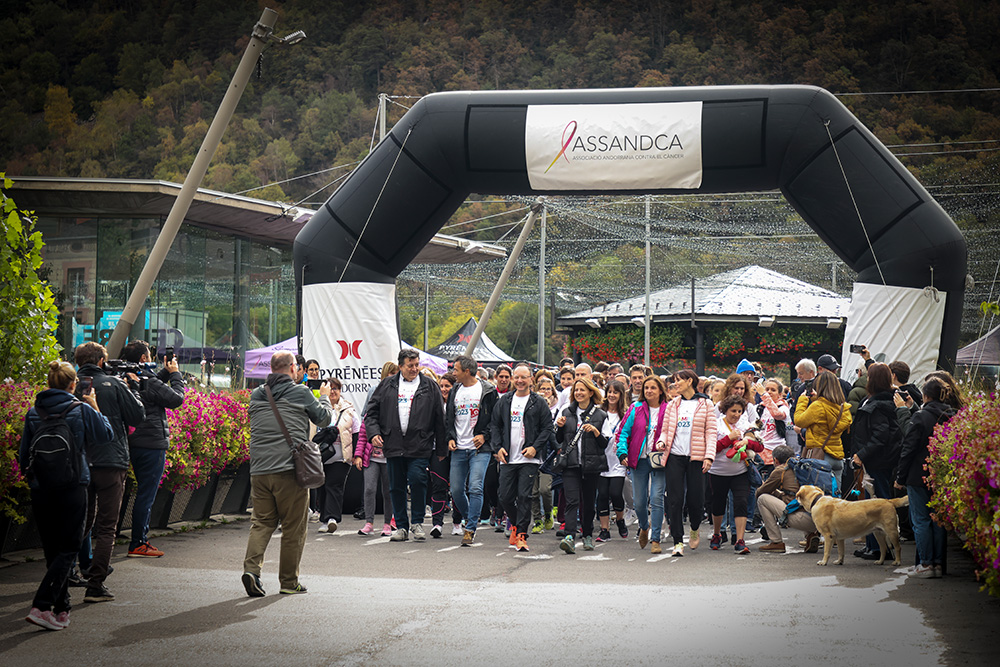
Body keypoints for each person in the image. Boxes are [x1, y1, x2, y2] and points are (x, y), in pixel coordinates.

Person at [20, 360, 113, 630]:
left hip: (41, 488)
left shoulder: (33, 412)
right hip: (73, 486)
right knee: (70, 547)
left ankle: (61, 610)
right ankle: (42, 606)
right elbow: (105, 435)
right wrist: (95, 405)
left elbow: (24, 454)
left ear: (50, 383)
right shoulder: (81, 408)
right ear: (74, 384)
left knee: (53, 550)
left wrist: (34, 477)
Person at [242, 351, 332, 597]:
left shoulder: (257, 393)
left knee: (261, 522)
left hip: (259, 469)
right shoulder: (301, 392)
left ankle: (252, 570)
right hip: (289, 469)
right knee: (293, 527)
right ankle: (289, 582)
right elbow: (324, 419)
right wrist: (324, 398)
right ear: (293, 368)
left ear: (271, 369)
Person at [74, 342, 145, 604]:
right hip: (110, 461)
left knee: (82, 521)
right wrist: (134, 388)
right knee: (106, 526)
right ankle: (95, 585)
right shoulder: (114, 385)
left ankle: (66, 572)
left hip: (79, 462)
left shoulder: (69, 384)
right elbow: (138, 416)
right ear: (102, 361)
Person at [365, 348, 447, 543]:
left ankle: (417, 522)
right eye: (410, 365)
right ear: (400, 366)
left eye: (417, 364)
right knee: (396, 486)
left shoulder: (429, 386)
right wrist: (374, 433)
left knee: (418, 480)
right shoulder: (387, 385)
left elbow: (439, 418)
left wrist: (441, 449)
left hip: (420, 444)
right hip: (393, 443)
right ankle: (401, 526)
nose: (414, 369)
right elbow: (372, 412)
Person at [120, 340, 184, 558]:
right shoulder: (148, 379)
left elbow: (151, 388)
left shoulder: (124, 378)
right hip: (152, 444)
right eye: (149, 355)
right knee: (146, 496)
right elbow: (176, 399)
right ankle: (138, 543)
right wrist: (175, 374)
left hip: (131, 443)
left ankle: (136, 540)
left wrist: (164, 373)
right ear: (143, 359)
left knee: (138, 494)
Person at [895, 377, 957, 578]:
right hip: (942, 476)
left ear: (925, 395)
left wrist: (900, 477)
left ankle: (925, 564)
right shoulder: (953, 415)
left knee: (920, 520)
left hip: (917, 475)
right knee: (938, 520)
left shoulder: (921, 417)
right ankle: (938, 564)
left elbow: (908, 449)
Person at [652, 369, 715, 557]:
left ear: (690, 381)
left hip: (696, 458)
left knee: (696, 500)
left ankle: (694, 528)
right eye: (673, 381)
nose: (675, 384)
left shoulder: (706, 404)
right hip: (675, 457)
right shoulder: (672, 405)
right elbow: (665, 430)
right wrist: (661, 442)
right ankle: (678, 541)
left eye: (678, 381)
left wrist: (709, 456)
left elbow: (711, 432)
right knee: (674, 500)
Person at [490, 364, 553, 552]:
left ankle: (522, 535)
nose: (519, 381)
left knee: (525, 496)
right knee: (505, 496)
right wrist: (498, 448)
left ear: (531, 379)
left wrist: (535, 447)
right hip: (509, 457)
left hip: (529, 459)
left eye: (523, 377)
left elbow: (547, 428)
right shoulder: (504, 401)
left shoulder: (538, 402)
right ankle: (517, 524)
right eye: (516, 377)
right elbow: (495, 426)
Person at [851, 362, 903, 560]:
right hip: (872, 460)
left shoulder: (880, 404)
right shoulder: (872, 400)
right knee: (870, 504)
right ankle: (873, 546)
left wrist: (861, 454)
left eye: (869, 375)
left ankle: (883, 549)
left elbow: (880, 437)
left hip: (878, 462)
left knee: (878, 506)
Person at [445, 355, 498, 546]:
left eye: (456, 370)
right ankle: (470, 517)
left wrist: (485, 435)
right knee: (456, 490)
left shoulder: (488, 390)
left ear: (467, 371)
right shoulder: (455, 390)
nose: (453, 373)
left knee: (475, 487)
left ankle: (470, 528)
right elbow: (449, 418)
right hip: (459, 447)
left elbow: (495, 419)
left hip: (479, 449)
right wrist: (450, 438)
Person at [555, 378, 608, 554]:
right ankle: (569, 536)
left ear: (591, 392)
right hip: (571, 464)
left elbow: (604, 443)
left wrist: (595, 431)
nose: (578, 393)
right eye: (576, 390)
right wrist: (560, 427)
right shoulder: (566, 412)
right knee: (572, 501)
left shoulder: (600, 415)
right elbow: (559, 440)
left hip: (591, 465)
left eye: (582, 390)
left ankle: (587, 534)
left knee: (588, 502)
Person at [617, 375, 669, 553]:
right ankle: (644, 527)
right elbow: (623, 432)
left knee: (656, 498)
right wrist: (622, 452)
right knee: (639, 503)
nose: (648, 391)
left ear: (661, 390)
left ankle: (655, 539)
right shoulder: (636, 408)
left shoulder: (669, 410)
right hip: (639, 461)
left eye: (653, 388)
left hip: (659, 461)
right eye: (646, 388)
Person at [710, 394, 763, 554]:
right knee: (718, 504)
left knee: (741, 502)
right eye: (733, 411)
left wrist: (747, 441)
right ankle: (717, 534)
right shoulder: (716, 424)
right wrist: (728, 439)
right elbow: (711, 448)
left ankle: (740, 540)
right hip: (718, 471)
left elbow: (760, 446)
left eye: (740, 411)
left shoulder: (746, 425)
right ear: (725, 410)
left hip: (740, 471)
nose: (736, 414)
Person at [794, 371, 852, 493]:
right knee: (835, 498)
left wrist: (803, 400)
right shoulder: (843, 408)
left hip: (820, 456)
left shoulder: (818, 406)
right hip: (837, 458)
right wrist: (817, 398)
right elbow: (828, 410)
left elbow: (799, 420)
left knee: (818, 498)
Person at [755, 445, 819, 553]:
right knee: (801, 499)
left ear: (775, 460)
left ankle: (776, 542)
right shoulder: (804, 467)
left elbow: (760, 492)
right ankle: (811, 535)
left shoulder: (781, 470)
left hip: (801, 519)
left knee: (762, 499)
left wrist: (764, 486)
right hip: (820, 519)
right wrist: (777, 493)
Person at [315, 377, 357, 535]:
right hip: (321, 455)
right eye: (330, 388)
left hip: (341, 455)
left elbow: (356, 431)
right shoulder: (318, 407)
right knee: (322, 487)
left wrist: (356, 455)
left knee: (334, 485)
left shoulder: (349, 409)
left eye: (336, 388)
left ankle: (332, 518)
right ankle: (324, 519)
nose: (333, 391)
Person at [597, 379, 629, 541]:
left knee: (615, 493)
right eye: (609, 392)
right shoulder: (599, 412)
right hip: (601, 460)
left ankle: (620, 519)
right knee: (602, 495)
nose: (611, 395)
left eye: (615, 392)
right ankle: (604, 529)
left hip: (618, 461)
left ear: (621, 395)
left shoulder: (626, 413)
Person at [430, 371, 460, 537]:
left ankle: (457, 522)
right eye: (441, 386)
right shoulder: (435, 404)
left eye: (447, 386)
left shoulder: (458, 403)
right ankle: (437, 523)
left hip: (457, 450)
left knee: (457, 488)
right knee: (439, 486)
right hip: (437, 451)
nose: (443, 389)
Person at [531, 376, 558, 534]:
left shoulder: (550, 421)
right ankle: (537, 520)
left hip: (547, 460)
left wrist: (559, 449)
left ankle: (548, 513)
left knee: (545, 489)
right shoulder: (529, 421)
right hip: (531, 459)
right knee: (533, 492)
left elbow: (553, 438)